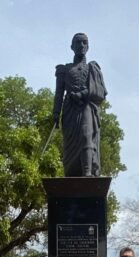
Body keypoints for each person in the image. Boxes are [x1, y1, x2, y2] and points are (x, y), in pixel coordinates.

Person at [52, 32, 107, 177]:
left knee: (86, 134)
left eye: (84, 42)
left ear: (88, 47)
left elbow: (100, 91)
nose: (81, 45)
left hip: (86, 107)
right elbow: (59, 93)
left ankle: (87, 173)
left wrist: (82, 94)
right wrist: (56, 113)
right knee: (69, 143)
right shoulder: (64, 70)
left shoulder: (92, 68)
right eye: (78, 42)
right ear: (72, 46)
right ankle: (72, 174)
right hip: (70, 110)